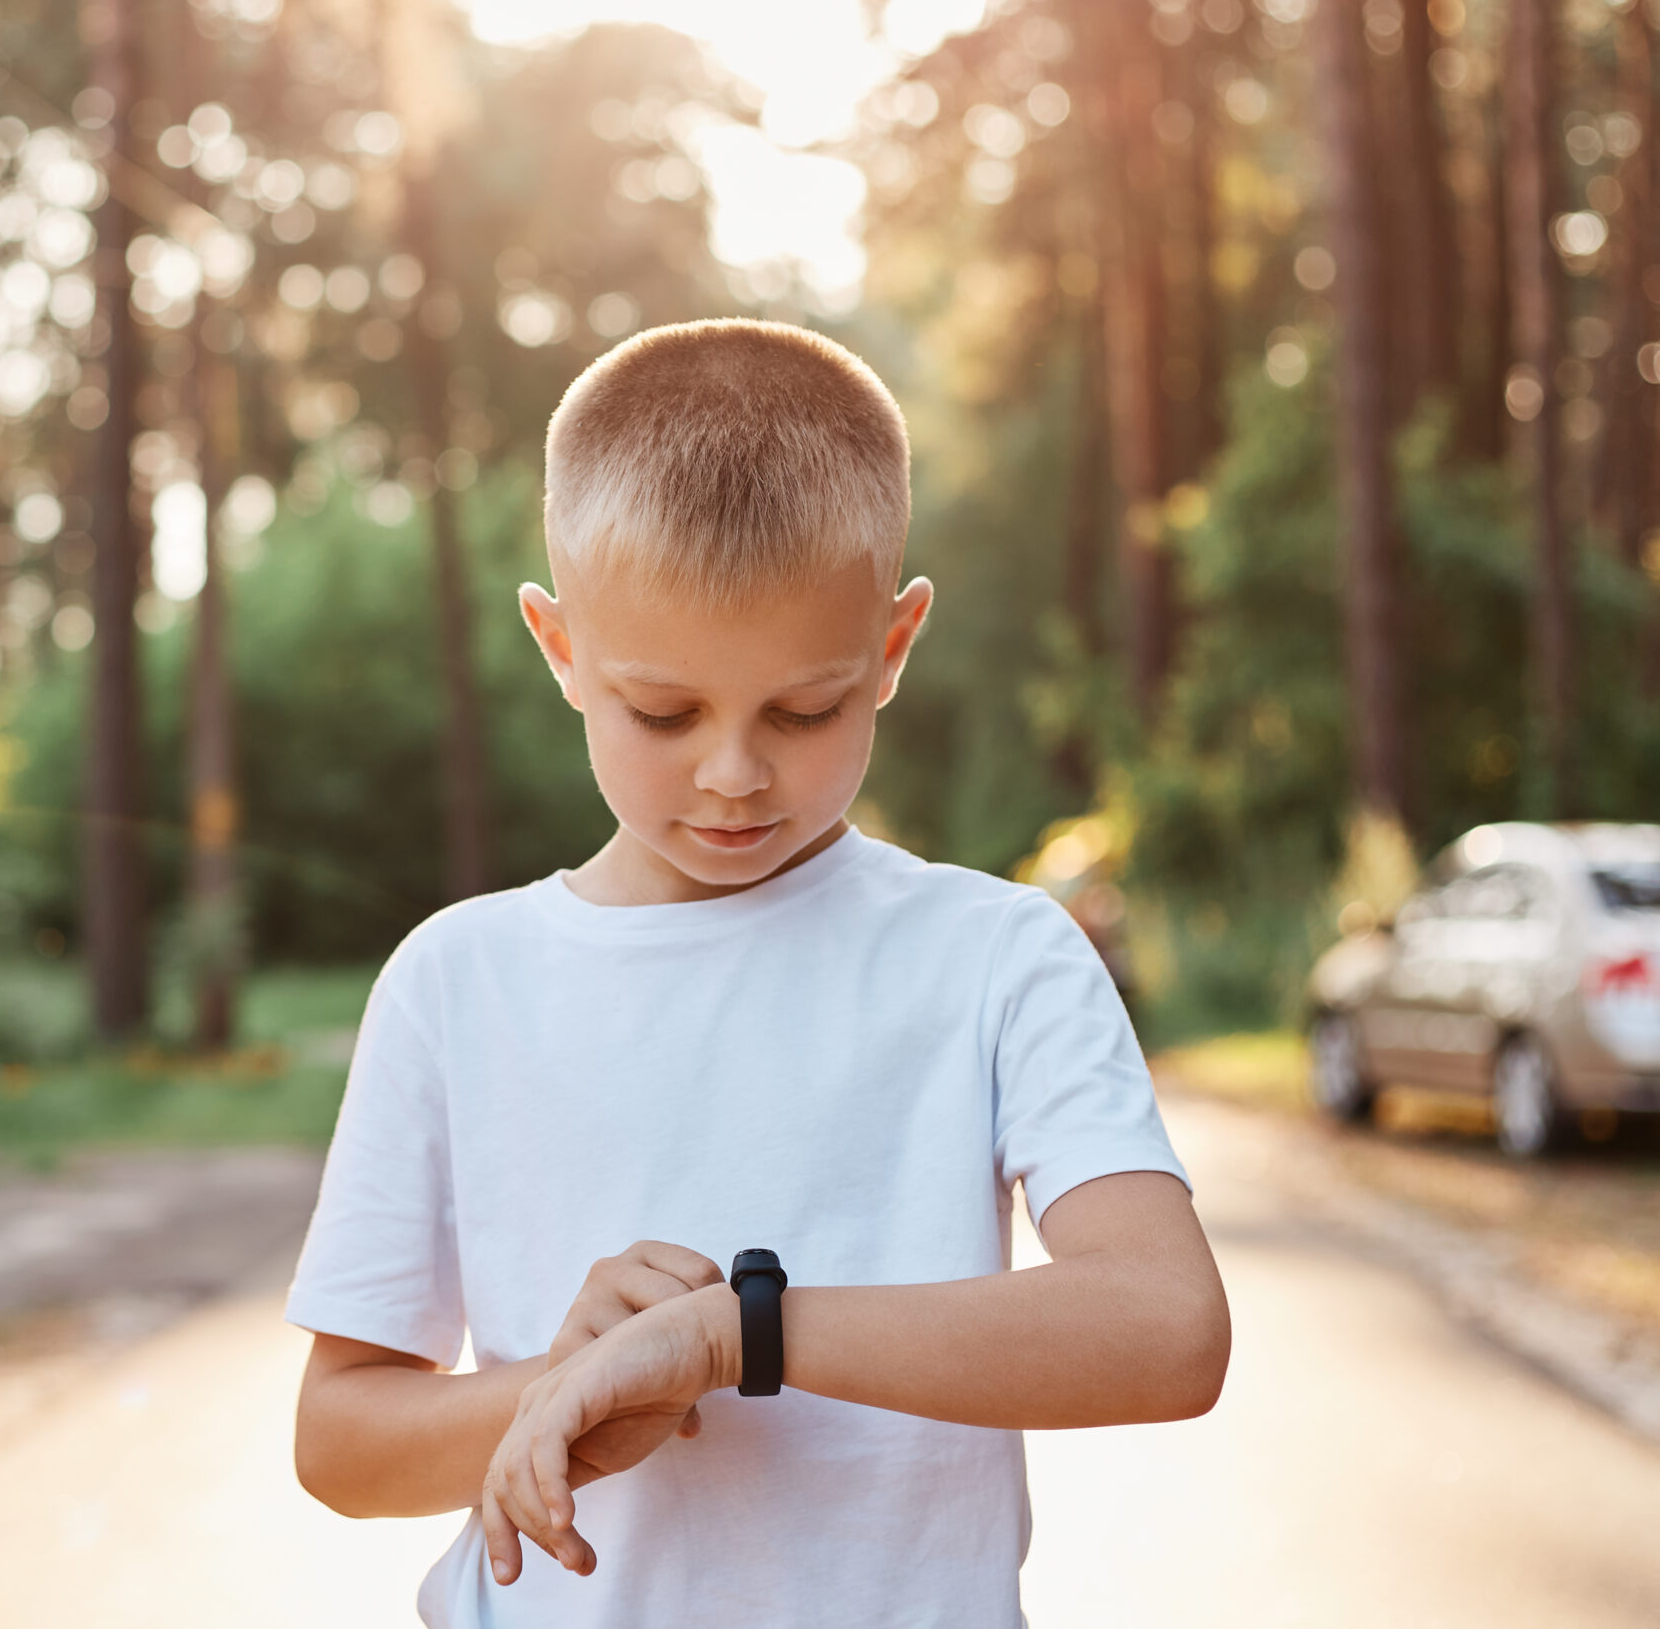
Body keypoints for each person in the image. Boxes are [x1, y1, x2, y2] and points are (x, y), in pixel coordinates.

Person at [285, 319, 1230, 1628]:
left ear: (892, 649)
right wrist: (581, 1386)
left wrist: (741, 1336)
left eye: (805, 709)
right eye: (662, 714)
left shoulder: (997, 958)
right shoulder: (458, 983)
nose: (732, 772)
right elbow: (339, 1442)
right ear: (561, 649)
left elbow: (1168, 1329)